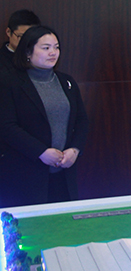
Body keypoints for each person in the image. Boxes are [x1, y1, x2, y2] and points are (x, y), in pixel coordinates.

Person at [0, 26, 89, 207]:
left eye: (56, 47)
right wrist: (40, 152)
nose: (53, 53)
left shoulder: (66, 81)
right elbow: (7, 126)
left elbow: (81, 120)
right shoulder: (9, 82)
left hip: (63, 172)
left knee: (63, 219)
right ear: (28, 51)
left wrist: (75, 150)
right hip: (25, 172)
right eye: (46, 48)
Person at [0, 9, 41, 75]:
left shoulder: (40, 57)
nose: (26, 41)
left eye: (31, 37)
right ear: (8, 32)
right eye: (21, 36)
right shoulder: (2, 61)